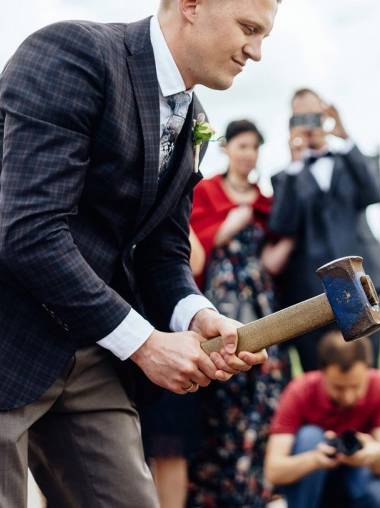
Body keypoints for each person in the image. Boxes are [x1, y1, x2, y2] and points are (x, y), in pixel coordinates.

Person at [0, 1, 279, 506]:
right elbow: (29, 231)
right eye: (248, 28)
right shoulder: (74, 54)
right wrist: (145, 343)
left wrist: (197, 314)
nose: (256, 52)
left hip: (93, 354)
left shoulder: (194, 116)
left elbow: (163, 251)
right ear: (192, 5)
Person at [141, 119, 293, 507]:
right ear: (227, 149)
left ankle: (249, 492)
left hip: (257, 306)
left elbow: (271, 261)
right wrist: (227, 226)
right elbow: (188, 254)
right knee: (213, 399)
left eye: (254, 147)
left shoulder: (265, 200)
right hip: (212, 303)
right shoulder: (205, 191)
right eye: (241, 145)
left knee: (258, 396)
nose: (248, 154)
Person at [269, 88, 380, 372]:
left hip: (362, 282)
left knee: (367, 372)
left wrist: (345, 137)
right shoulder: (285, 176)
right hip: (310, 291)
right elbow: (281, 225)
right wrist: (295, 163)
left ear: (325, 115)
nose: (309, 124)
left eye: (314, 115)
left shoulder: (350, 161)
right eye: (300, 118)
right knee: (318, 375)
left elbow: (374, 192)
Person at [264, 332, 380, 508]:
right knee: (310, 436)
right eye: (339, 388)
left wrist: (373, 454)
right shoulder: (300, 390)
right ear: (322, 372)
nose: (348, 397)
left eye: (355, 386)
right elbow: (273, 471)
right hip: (311, 481)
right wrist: (315, 459)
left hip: (356, 477)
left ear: (368, 369)